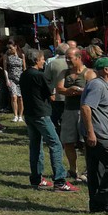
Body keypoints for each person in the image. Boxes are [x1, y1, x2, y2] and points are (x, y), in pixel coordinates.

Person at [19, 51, 79, 193]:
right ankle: (60, 180)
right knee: (55, 144)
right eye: (42, 59)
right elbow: (51, 96)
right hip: (41, 114)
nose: (43, 62)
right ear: (36, 60)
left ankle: (36, 179)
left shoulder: (24, 75)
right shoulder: (39, 76)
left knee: (35, 145)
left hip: (30, 114)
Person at [82, 59, 108, 214]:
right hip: (98, 134)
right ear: (106, 70)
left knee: (96, 170)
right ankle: (103, 199)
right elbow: (86, 107)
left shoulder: (102, 85)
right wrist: (91, 133)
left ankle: (96, 206)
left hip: (97, 133)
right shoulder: (97, 85)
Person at [57, 47, 91, 182]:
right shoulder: (64, 73)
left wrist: (78, 90)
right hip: (68, 111)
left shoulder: (88, 73)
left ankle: (89, 170)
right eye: (66, 57)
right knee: (68, 141)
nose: (67, 60)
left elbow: (92, 90)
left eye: (69, 58)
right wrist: (69, 90)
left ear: (78, 57)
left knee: (87, 142)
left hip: (84, 111)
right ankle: (73, 170)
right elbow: (59, 88)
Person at [5, 42, 26, 123]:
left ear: (15, 47)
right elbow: (5, 68)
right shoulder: (7, 56)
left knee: (20, 98)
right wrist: (7, 79)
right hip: (11, 78)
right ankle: (15, 115)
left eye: (11, 48)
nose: (9, 50)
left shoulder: (21, 55)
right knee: (14, 97)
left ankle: (20, 115)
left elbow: (24, 67)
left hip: (20, 78)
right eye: (8, 48)